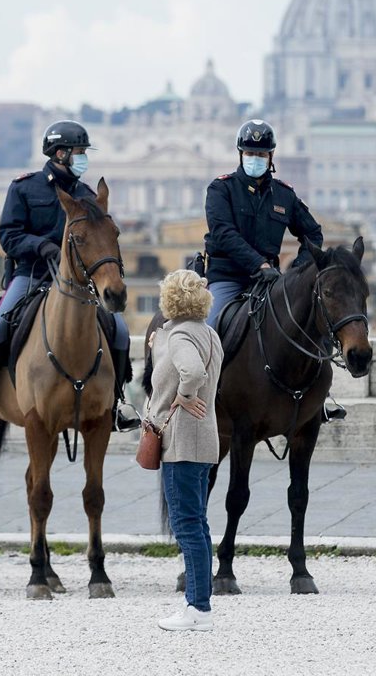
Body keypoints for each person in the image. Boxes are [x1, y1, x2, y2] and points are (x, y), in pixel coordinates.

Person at [0, 120, 141, 432]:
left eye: (84, 152)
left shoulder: (87, 195)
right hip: (32, 273)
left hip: (77, 282)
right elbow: (9, 235)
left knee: (119, 330)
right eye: (78, 152)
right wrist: (41, 247)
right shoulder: (24, 188)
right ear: (59, 153)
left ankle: (118, 401)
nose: (83, 158)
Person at [146, 270, 223, 632]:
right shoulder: (207, 333)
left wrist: (184, 396)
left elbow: (190, 371)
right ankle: (200, 603)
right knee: (199, 524)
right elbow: (183, 364)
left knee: (186, 526)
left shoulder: (179, 336)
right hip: (204, 438)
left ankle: (197, 608)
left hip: (181, 442)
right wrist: (159, 346)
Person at [202, 119, 323, 329]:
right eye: (250, 153)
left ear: (271, 156)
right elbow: (223, 233)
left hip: (269, 281)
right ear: (241, 154)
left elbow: (313, 234)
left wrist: (296, 272)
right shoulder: (221, 189)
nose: (255, 158)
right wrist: (259, 264)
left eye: (261, 154)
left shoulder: (284, 194)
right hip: (228, 277)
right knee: (211, 331)